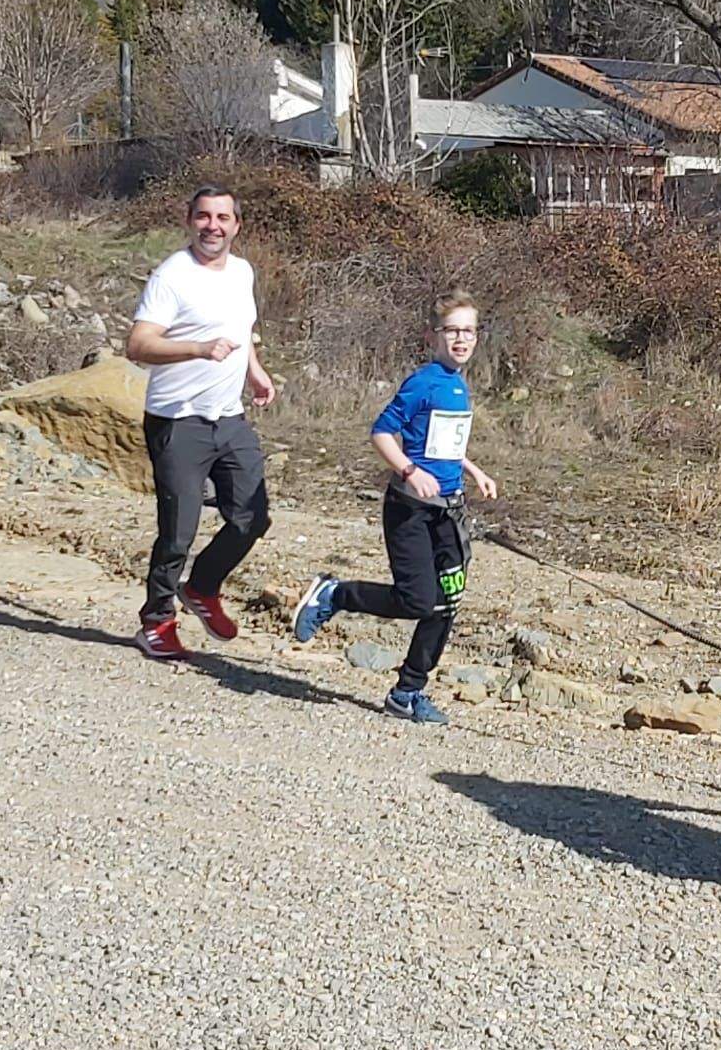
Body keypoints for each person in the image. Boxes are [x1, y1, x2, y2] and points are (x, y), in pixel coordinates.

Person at [289, 290, 497, 724]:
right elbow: (382, 432)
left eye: (469, 331)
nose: (462, 339)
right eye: (452, 331)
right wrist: (408, 470)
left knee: (448, 602)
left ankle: (407, 692)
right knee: (418, 601)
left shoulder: (458, 384)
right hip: (410, 509)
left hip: (448, 511)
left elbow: (444, 444)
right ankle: (335, 594)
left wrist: (474, 470)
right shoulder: (424, 382)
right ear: (432, 336)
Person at [124, 185, 276, 658]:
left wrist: (254, 371)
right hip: (177, 420)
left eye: (223, 218)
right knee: (178, 531)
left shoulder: (242, 272)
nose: (213, 226)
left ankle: (203, 587)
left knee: (252, 516)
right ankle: (156, 622)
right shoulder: (173, 275)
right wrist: (197, 348)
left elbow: (240, 330)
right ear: (189, 221)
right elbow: (138, 345)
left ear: (237, 225)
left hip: (228, 418)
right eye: (204, 217)